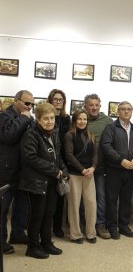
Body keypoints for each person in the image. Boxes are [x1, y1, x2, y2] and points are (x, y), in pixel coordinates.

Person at [19, 103, 68, 259]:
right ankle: (33, 246)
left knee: (49, 214)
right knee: (37, 215)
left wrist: (63, 169)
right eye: (45, 118)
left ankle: (46, 243)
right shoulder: (31, 134)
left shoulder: (54, 133)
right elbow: (30, 158)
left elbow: (57, 156)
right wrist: (55, 171)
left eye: (52, 118)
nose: (49, 121)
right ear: (38, 119)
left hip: (52, 182)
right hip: (37, 183)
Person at [0, 90, 33, 254]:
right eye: (27, 103)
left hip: (23, 170)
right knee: (3, 207)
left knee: (22, 205)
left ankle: (18, 233)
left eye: (31, 104)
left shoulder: (28, 118)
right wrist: (24, 118)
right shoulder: (4, 115)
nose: (29, 107)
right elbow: (9, 136)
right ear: (16, 101)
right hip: (6, 169)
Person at [101, 101, 133, 239]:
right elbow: (106, 146)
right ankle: (111, 226)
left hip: (130, 170)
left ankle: (123, 226)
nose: (126, 111)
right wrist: (120, 160)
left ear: (132, 111)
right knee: (112, 200)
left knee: (126, 199)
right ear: (118, 112)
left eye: (129, 109)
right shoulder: (111, 127)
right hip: (114, 170)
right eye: (123, 109)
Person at [64, 110, 97, 244]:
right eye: (79, 119)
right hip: (74, 174)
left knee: (91, 204)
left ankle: (90, 233)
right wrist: (82, 169)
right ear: (74, 121)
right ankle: (76, 234)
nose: (82, 121)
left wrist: (93, 167)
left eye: (85, 119)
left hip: (89, 174)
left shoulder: (91, 136)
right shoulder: (69, 135)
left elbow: (95, 155)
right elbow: (69, 155)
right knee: (74, 205)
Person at [84, 94, 112, 239]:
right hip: (83, 168)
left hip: (101, 168)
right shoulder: (80, 119)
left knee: (101, 197)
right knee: (85, 198)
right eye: (91, 105)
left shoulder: (107, 121)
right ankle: (86, 224)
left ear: (100, 106)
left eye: (96, 105)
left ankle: (100, 224)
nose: (94, 108)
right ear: (85, 106)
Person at [47, 89, 71, 238]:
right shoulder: (46, 117)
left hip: (62, 160)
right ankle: (45, 227)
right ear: (50, 100)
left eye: (60, 99)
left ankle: (57, 227)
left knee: (60, 194)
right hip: (48, 159)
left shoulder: (66, 119)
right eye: (55, 99)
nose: (58, 101)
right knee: (47, 198)